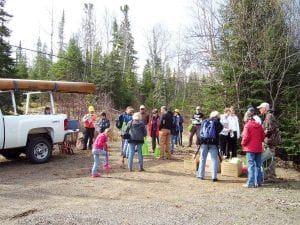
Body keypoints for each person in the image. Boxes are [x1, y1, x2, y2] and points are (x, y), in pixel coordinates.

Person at [257, 102, 280, 182]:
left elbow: (271, 129)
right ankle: (267, 176)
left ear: (265, 108)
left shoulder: (269, 116)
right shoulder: (268, 116)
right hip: (269, 140)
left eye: (261, 108)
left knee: (271, 158)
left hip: (270, 141)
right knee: (268, 158)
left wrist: (263, 133)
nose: (259, 110)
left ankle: (271, 177)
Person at [197, 111, 223, 182]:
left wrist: (199, 142)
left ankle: (200, 175)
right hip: (213, 143)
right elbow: (220, 129)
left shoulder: (204, 121)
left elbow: (200, 132)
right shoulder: (218, 123)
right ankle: (214, 177)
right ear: (217, 116)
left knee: (202, 158)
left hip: (204, 143)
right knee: (214, 160)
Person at [241, 111, 265, 187]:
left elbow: (245, 137)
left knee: (251, 165)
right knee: (258, 165)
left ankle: (251, 183)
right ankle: (258, 182)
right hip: (258, 148)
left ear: (247, 117)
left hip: (250, 148)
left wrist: (243, 144)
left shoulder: (247, 125)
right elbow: (263, 136)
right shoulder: (259, 125)